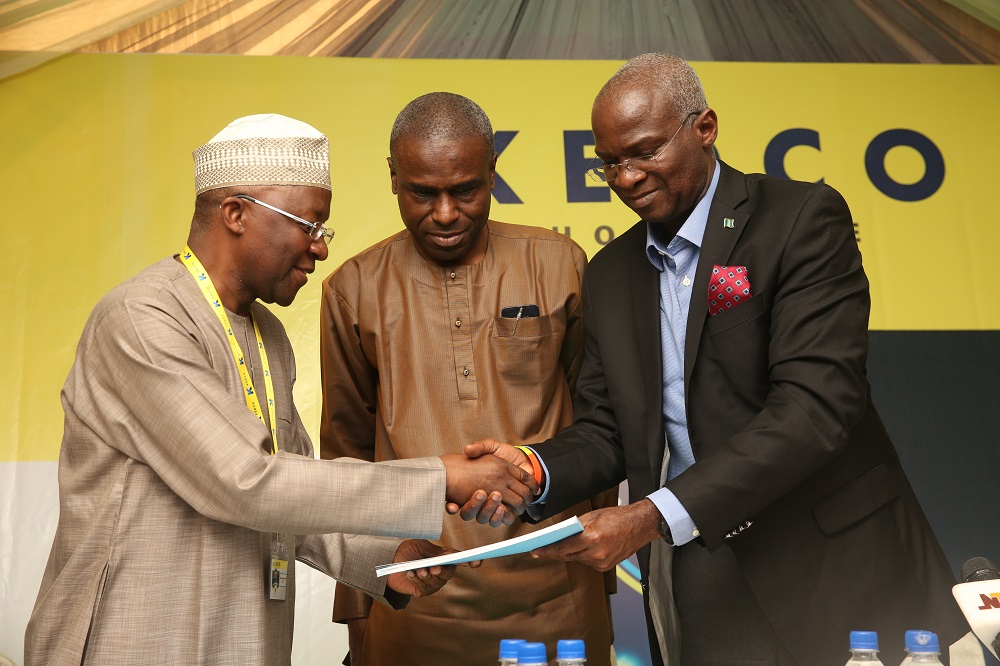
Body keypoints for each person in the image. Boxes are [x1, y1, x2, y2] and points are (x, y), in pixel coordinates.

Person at [465, 54, 969, 665]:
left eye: (645, 152)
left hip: (838, 562)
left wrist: (650, 515)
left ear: (704, 127)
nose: (626, 177)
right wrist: (531, 468)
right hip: (701, 563)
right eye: (610, 164)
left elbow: (815, 409)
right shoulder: (611, 273)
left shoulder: (801, 219)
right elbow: (607, 428)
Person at [24, 113, 537, 666]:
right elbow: (248, 483)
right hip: (138, 636)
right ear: (237, 214)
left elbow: (293, 493)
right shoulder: (142, 318)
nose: (320, 248)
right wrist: (442, 475)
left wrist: (385, 558)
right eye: (309, 224)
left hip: (246, 637)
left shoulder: (266, 333)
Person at [319, 93, 616, 665]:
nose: (447, 213)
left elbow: (600, 427)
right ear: (392, 177)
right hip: (413, 600)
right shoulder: (353, 290)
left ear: (492, 173)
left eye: (466, 190)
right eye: (422, 193)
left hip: (555, 593)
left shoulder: (560, 265)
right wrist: (359, 610)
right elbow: (345, 459)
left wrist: (599, 584)